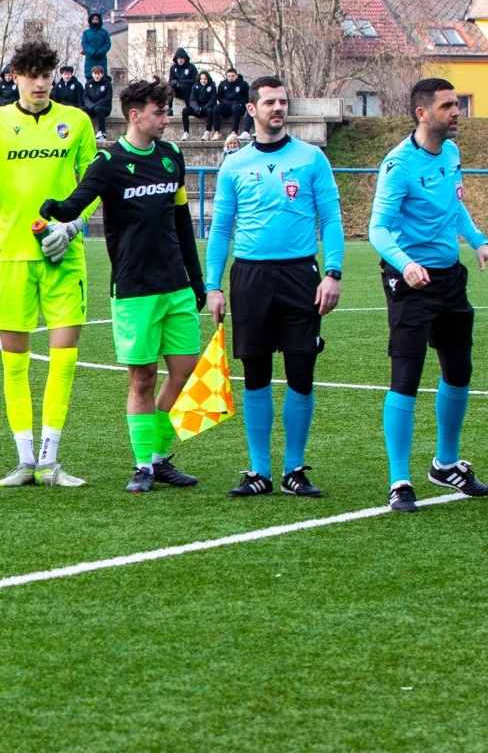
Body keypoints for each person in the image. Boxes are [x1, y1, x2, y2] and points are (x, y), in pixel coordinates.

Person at [40, 79, 206, 492]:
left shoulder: (171, 156)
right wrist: (55, 210)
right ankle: (144, 465)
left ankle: (158, 457)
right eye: (159, 112)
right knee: (142, 378)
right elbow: (77, 202)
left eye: (167, 111)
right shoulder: (108, 161)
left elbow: (182, 222)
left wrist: (196, 278)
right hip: (134, 287)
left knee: (185, 371)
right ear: (135, 115)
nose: (166, 119)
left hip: (175, 284)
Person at [0, 38, 97, 487]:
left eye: (46, 76)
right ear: (15, 77)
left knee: (63, 358)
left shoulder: (76, 121)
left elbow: (96, 184)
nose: (40, 84)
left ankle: (50, 461)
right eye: (31, 76)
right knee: (14, 363)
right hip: (11, 257)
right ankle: (24, 461)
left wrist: (73, 227)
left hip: (63, 255)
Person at [204, 76, 344, 498]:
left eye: (283, 102)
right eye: (269, 102)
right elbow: (221, 229)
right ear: (252, 109)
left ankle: (293, 470)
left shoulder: (311, 158)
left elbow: (331, 219)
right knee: (256, 373)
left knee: (301, 371)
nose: (278, 108)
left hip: (300, 275)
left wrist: (333, 272)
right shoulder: (234, 164)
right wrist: (213, 285)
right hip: (250, 277)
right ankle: (259, 471)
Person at [368, 77, 488, 511]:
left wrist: (478, 240)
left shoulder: (451, 153)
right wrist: (406, 264)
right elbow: (378, 229)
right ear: (422, 113)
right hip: (410, 283)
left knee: (459, 371)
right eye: (447, 106)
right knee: (407, 376)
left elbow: (454, 206)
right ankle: (400, 480)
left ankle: (446, 464)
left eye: (457, 104)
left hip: (450, 278)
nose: (457, 112)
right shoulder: (398, 165)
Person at [215, 68, 250, 140]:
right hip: (226, 106)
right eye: (229, 76)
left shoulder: (243, 84)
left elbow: (247, 98)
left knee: (235, 107)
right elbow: (219, 96)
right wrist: (225, 102)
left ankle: (234, 131)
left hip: (239, 107)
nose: (230, 78)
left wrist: (238, 102)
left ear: (236, 76)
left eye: (232, 76)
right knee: (216, 108)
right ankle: (217, 132)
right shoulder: (223, 84)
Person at [82, 64, 114, 140]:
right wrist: (90, 106)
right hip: (91, 107)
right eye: (95, 74)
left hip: (104, 108)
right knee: (82, 109)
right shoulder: (88, 84)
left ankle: (102, 132)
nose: (97, 76)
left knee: (98, 109)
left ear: (102, 74)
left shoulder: (107, 84)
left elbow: (108, 98)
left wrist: (95, 105)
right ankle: (83, 131)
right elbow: (85, 97)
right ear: (92, 74)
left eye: (98, 74)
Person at [185, 70, 218, 140]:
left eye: (205, 79)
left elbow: (213, 100)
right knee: (185, 110)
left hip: (206, 109)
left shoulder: (212, 87)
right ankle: (186, 132)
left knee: (211, 110)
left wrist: (204, 108)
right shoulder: (195, 87)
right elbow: (192, 100)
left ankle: (207, 132)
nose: (203, 81)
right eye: (201, 79)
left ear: (208, 79)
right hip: (197, 109)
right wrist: (197, 109)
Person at [167, 48, 196, 119]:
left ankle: (189, 108)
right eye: (178, 58)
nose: (180, 60)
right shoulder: (173, 68)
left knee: (183, 86)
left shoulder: (191, 67)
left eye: (182, 58)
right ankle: (170, 109)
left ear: (185, 58)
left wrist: (181, 81)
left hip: (188, 90)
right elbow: (171, 79)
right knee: (169, 87)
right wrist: (176, 83)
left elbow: (194, 81)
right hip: (177, 90)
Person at [81, 11, 111, 76]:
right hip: (90, 58)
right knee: (90, 76)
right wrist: (93, 52)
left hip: (101, 58)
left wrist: (100, 52)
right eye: (93, 19)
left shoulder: (104, 32)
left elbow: (107, 44)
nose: (95, 20)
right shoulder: (86, 32)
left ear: (99, 20)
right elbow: (84, 44)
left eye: (97, 19)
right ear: (90, 20)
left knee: (102, 76)